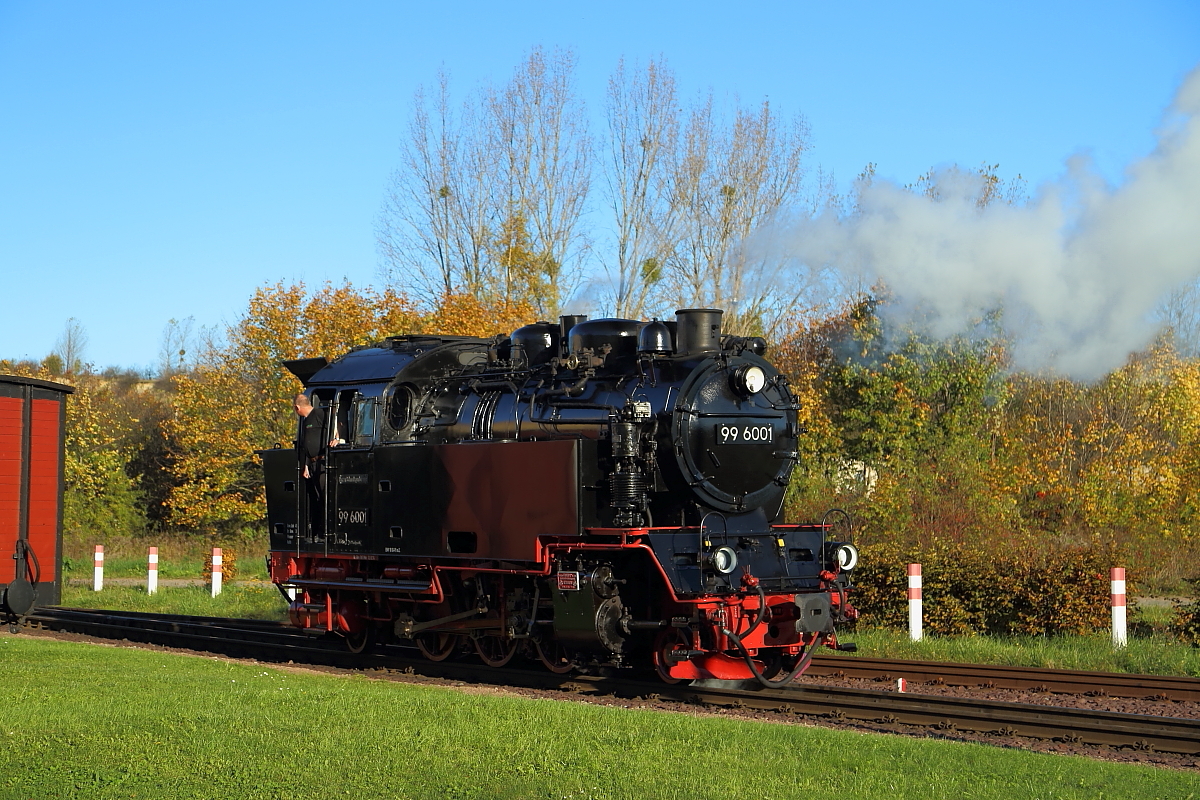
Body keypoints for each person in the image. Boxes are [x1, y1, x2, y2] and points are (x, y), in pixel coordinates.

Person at [294, 393, 332, 535]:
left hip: (323, 461)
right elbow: (305, 445)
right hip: (312, 463)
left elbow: (335, 425)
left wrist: (336, 437)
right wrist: (305, 465)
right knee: (316, 497)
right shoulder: (305, 421)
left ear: (297, 407)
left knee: (325, 495)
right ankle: (318, 529)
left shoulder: (320, 414)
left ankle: (327, 529)